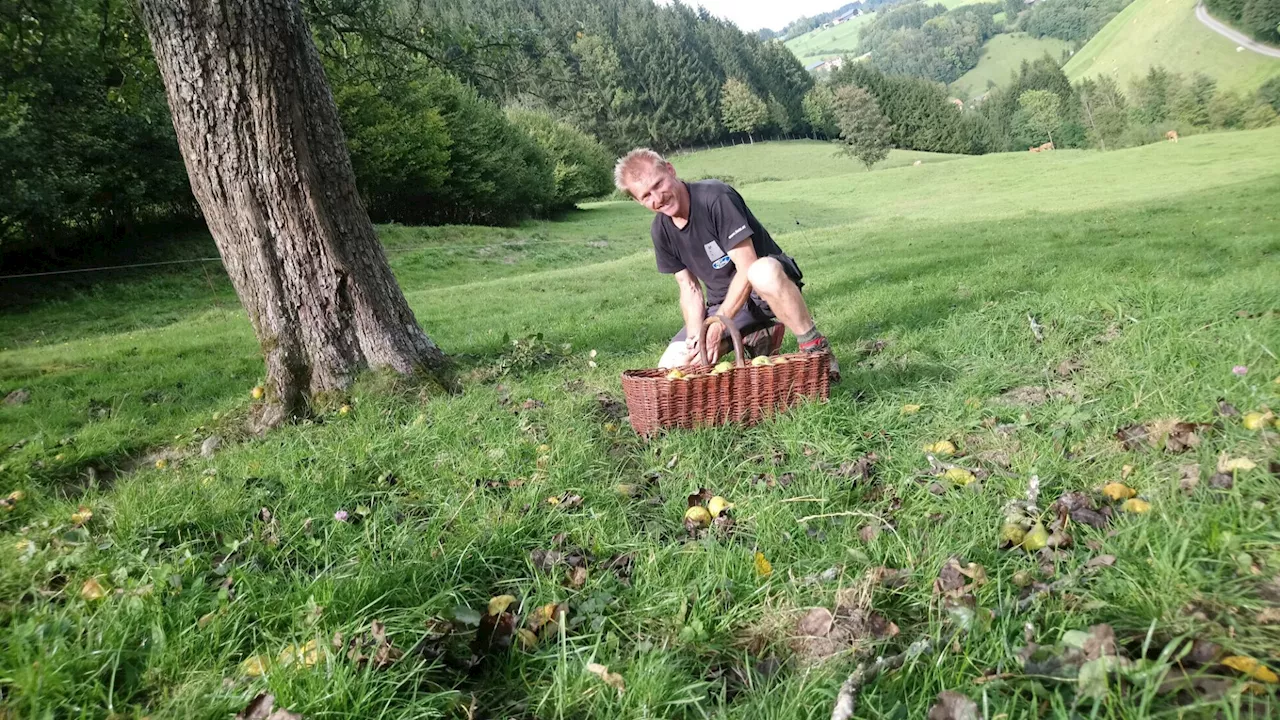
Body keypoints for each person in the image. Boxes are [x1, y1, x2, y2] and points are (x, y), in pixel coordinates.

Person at [614, 148, 839, 381]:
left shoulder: (714, 197)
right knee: (672, 366)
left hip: (764, 290)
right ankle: (759, 334)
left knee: (762, 272)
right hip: (724, 305)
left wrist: (720, 324)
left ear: (670, 170)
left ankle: (815, 347)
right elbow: (689, 289)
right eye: (646, 196)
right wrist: (696, 337)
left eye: (658, 184)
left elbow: (747, 267)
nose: (658, 198)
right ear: (637, 200)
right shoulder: (661, 231)